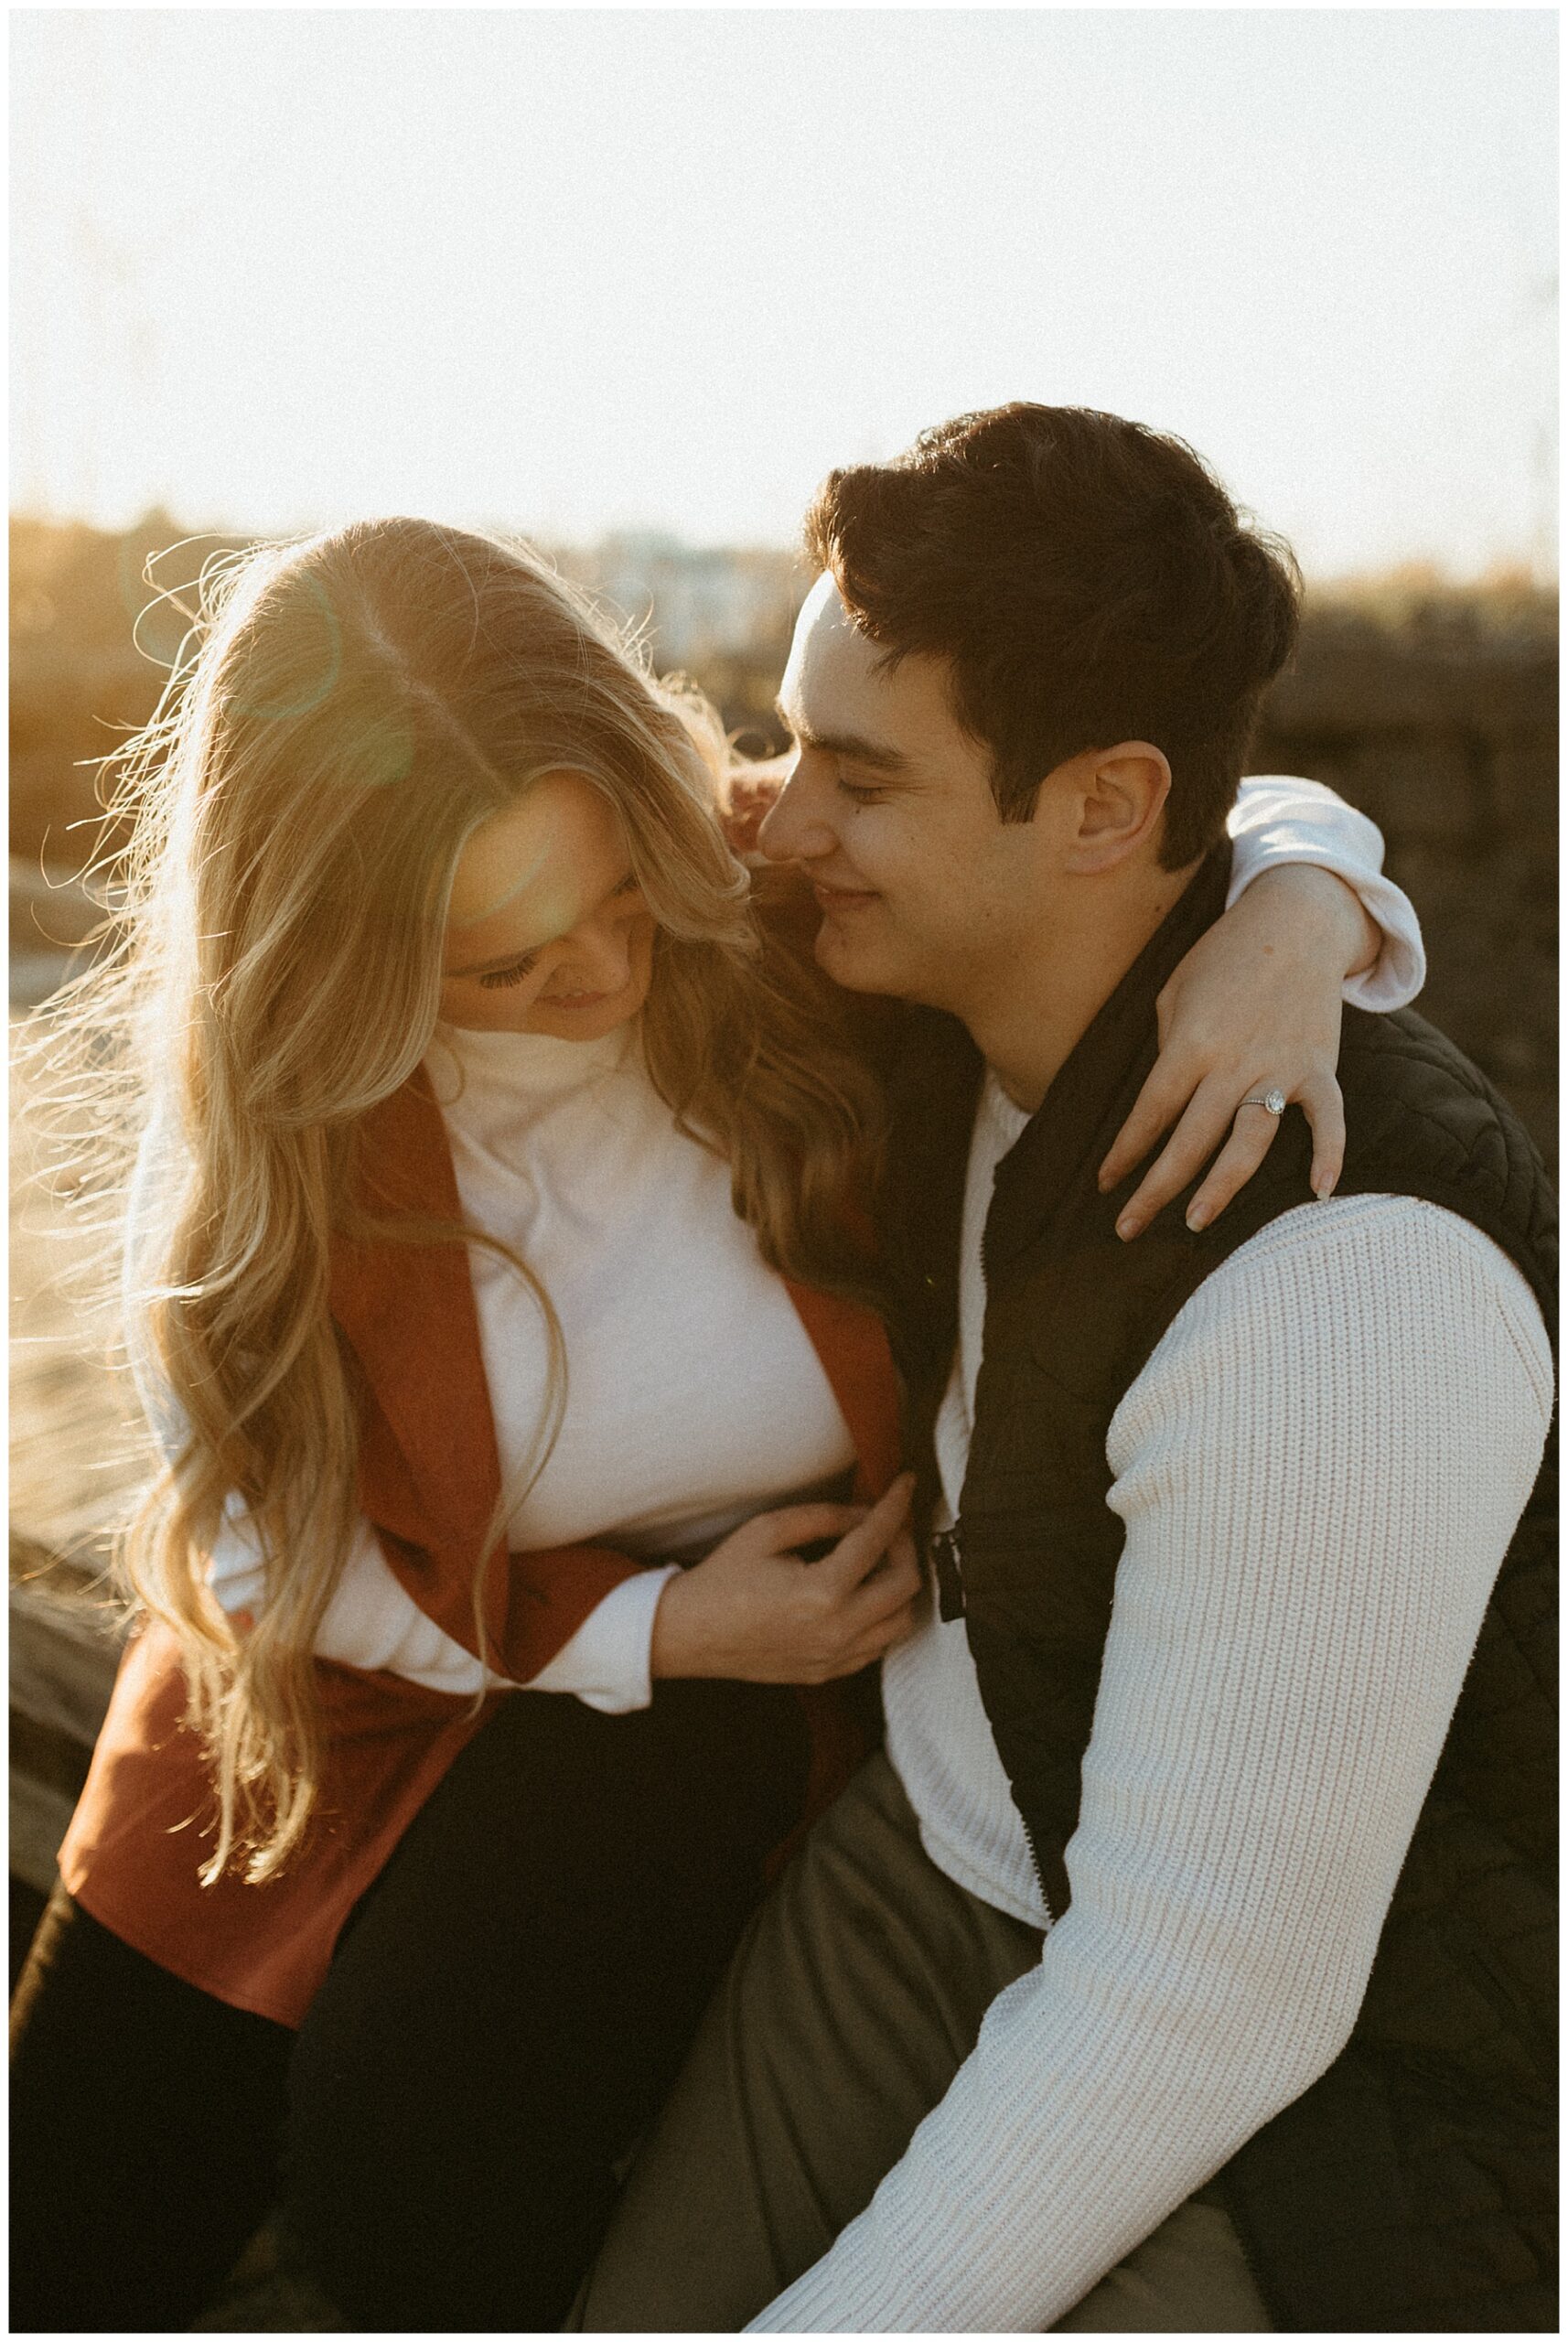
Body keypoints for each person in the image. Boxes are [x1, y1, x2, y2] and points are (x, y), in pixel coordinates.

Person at [10, 516, 1415, 2334]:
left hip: (694, 1731)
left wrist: (1298, 917)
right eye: (502, 961)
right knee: (60, 2249)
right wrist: (647, 1623)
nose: (597, 974)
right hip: (310, 1711)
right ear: (334, 949)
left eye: (613, 903)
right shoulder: (274, 1127)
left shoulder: (733, 882)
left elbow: (1158, 806)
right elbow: (247, 1551)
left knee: (413, 2196)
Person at [571, 407, 1556, 2336]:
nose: (777, 815)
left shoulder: (1347, 1281)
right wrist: (1314, 876)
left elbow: (1203, 1989)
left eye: (855, 772)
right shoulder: (947, 977)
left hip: (1308, 2050)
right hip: (934, 1839)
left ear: (1102, 808)